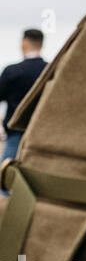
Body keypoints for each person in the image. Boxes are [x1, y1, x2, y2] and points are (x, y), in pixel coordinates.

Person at [0, 29, 47, 194]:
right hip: (41, 133)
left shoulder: (12, 71)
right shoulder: (49, 70)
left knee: (5, 177)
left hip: (15, 131)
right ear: (41, 43)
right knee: (37, 179)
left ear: (24, 43)